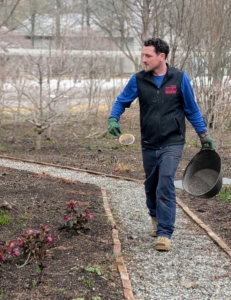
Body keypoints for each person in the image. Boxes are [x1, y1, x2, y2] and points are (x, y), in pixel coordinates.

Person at [107, 37, 215, 251]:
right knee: (152, 184)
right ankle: (155, 217)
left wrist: (203, 134)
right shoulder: (138, 80)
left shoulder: (179, 79)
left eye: (148, 55)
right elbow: (122, 101)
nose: (143, 59)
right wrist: (113, 118)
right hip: (149, 142)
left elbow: (191, 109)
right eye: (143, 55)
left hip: (173, 141)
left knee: (165, 180)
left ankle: (165, 233)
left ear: (161, 56)